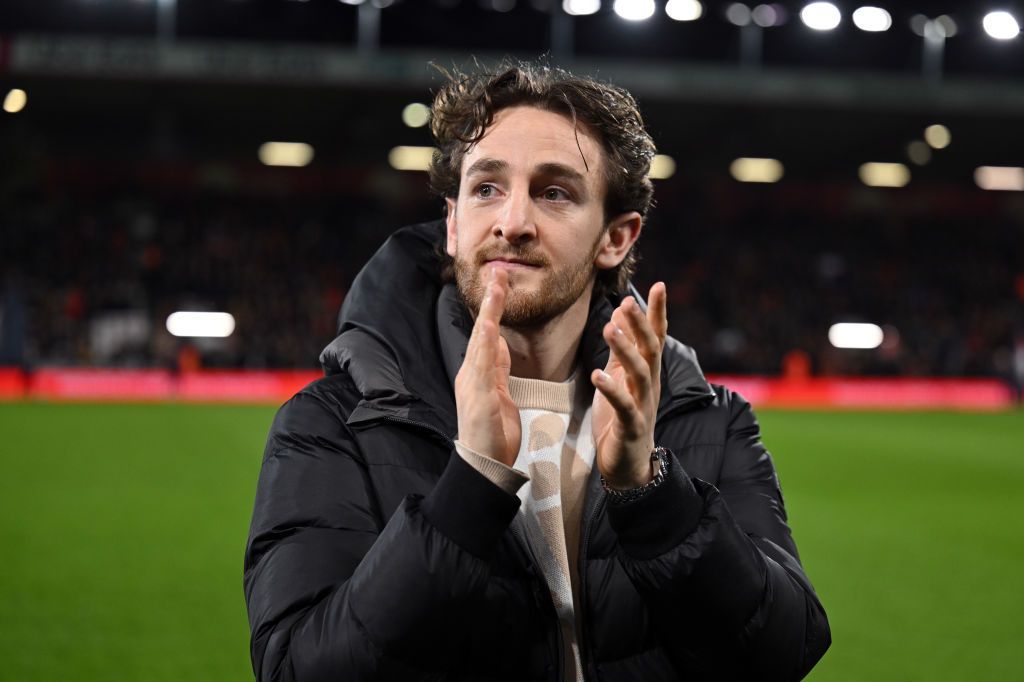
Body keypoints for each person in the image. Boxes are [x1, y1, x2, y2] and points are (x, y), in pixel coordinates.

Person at [244, 62, 830, 681]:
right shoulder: (333, 425)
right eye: (486, 188)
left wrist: (650, 493)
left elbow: (780, 655)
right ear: (452, 223)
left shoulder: (706, 421)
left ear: (617, 238)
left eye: (554, 192)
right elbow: (297, 671)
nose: (512, 221)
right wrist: (469, 486)